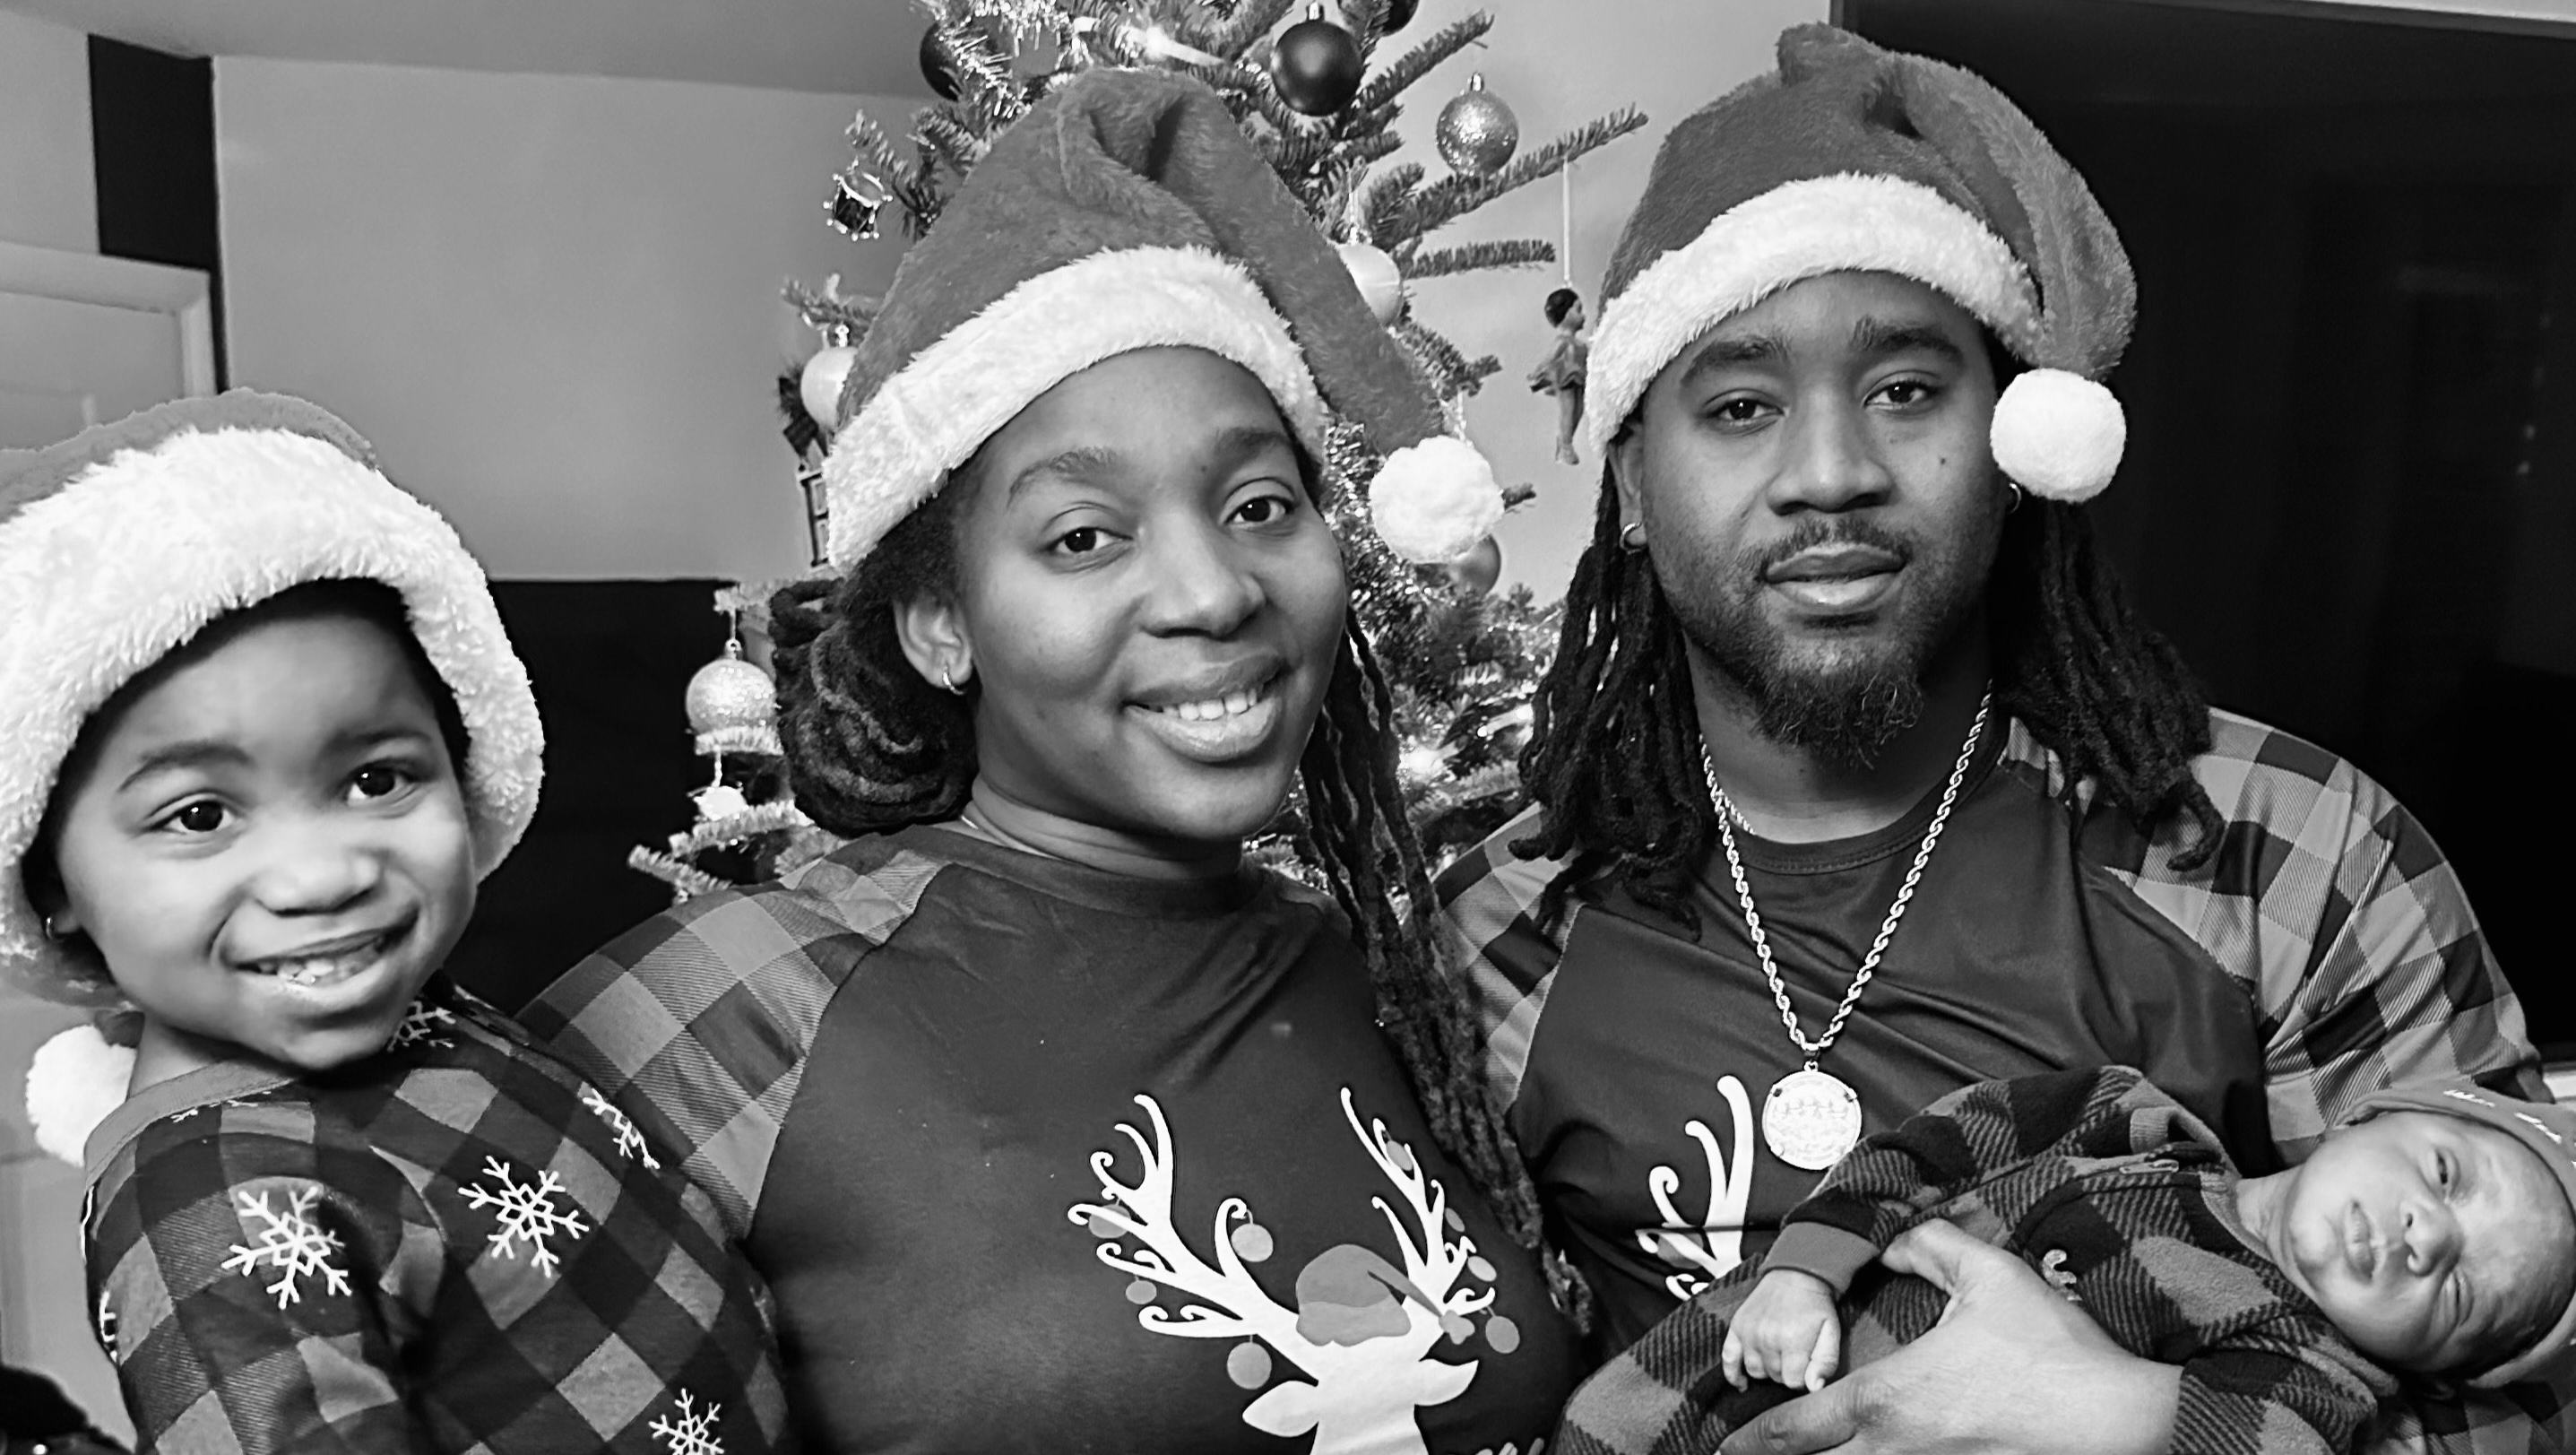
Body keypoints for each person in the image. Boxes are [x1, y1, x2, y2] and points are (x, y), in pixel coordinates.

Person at [1431, 22, 2566, 1455]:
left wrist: (2137, 1424)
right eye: (1738, 406)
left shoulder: (2287, 850)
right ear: (1634, 485)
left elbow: (2525, 1397)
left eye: (1905, 390)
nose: (1830, 472)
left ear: (2021, 443)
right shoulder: (1501, 931)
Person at [519, 69, 1581, 1455]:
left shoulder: (1392, 982)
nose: (1212, 591)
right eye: (1083, 535)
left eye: (1260, 503)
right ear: (940, 621)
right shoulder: (738, 1005)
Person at [1, 395, 791, 1455]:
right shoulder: (210, 1207)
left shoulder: (421, 1011)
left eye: (376, 779)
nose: (324, 876)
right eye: (199, 815)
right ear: (49, 880)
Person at [1555, 1068, 2576, 1455]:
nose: (2427, 1236)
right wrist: (1804, 1269)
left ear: (2440, 1366)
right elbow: (1927, 1147)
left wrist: (2104, 1403)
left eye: (2462, 1290)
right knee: (1611, 1421)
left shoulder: (2310, 1367)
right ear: (2373, 1113)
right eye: (2446, 1174)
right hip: (1750, 1352)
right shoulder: (2126, 1117)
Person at [1529, 287, 1590, 468]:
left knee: (1578, 410)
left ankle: (1565, 439)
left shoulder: (1581, 345)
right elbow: (1550, 358)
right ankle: (1565, 446)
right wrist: (1538, 372)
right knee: (1568, 410)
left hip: (1579, 378)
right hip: (1565, 379)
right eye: (1578, 310)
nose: (1583, 316)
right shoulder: (1563, 341)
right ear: (1566, 313)